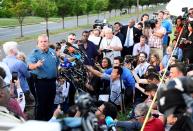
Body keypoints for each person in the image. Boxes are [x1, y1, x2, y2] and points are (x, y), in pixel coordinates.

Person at [28, 34, 59, 121]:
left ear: (48, 42)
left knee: (51, 103)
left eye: (45, 41)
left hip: (52, 82)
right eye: (41, 41)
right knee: (41, 104)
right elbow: (30, 66)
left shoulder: (52, 51)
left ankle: (49, 121)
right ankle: (40, 123)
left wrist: (58, 75)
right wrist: (36, 65)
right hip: (41, 83)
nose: (43, 43)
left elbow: (56, 64)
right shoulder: (35, 53)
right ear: (38, 43)